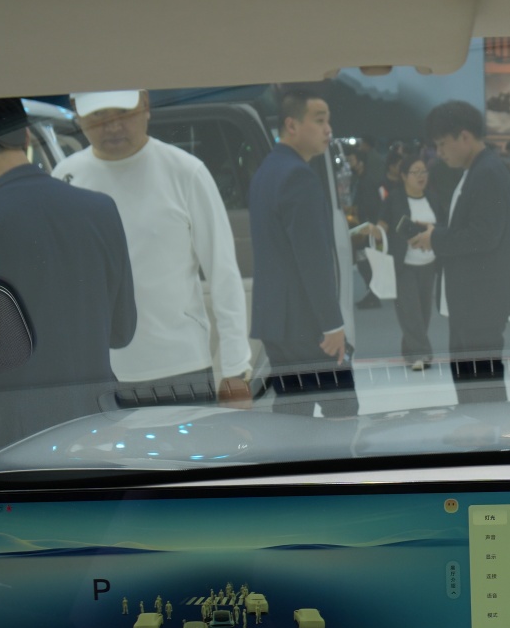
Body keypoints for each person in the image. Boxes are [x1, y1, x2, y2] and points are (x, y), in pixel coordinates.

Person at [0, 98, 136, 459]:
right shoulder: (101, 210)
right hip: (97, 429)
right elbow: (122, 331)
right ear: (25, 134)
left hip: (9, 442)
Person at [53, 90, 251, 410]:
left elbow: (223, 273)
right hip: (98, 371)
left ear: (145, 104)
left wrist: (235, 371)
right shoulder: (65, 178)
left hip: (180, 366)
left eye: (122, 112)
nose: (112, 126)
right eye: (99, 116)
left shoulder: (186, 172)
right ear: (77, 112)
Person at [249, 84, 355, 417]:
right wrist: (332, 325)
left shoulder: (266, 171)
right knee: (343, 412)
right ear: (292, 125)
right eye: (319, 120)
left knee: (293, 411)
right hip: (305, 324)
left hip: (274, 320)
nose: (328, 129)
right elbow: (313, 260)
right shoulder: (299, 177)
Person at [416, 100, 510, 402]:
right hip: (472, 299)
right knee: (471, 380)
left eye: (442, 144)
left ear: (464, 136)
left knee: (481, 385)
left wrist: (436, 238)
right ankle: (478, 427)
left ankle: (488, 429)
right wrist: (436, 232)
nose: (439, 152)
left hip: (480, 300)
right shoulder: (478, 169)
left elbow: (484, 236)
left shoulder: (487, 172)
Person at [380, 155, 441, 369]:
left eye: (423, 171)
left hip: (429, 263)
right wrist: (377, 231)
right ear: (404, 176)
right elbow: (383, 223)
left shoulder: (433, 198)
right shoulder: (395, 199)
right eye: (415, 172)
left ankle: (410, 351)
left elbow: (442, 226)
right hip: (403, 264)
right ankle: (420, 355)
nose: (421, 176)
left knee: (423, 312)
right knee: (410, 310)